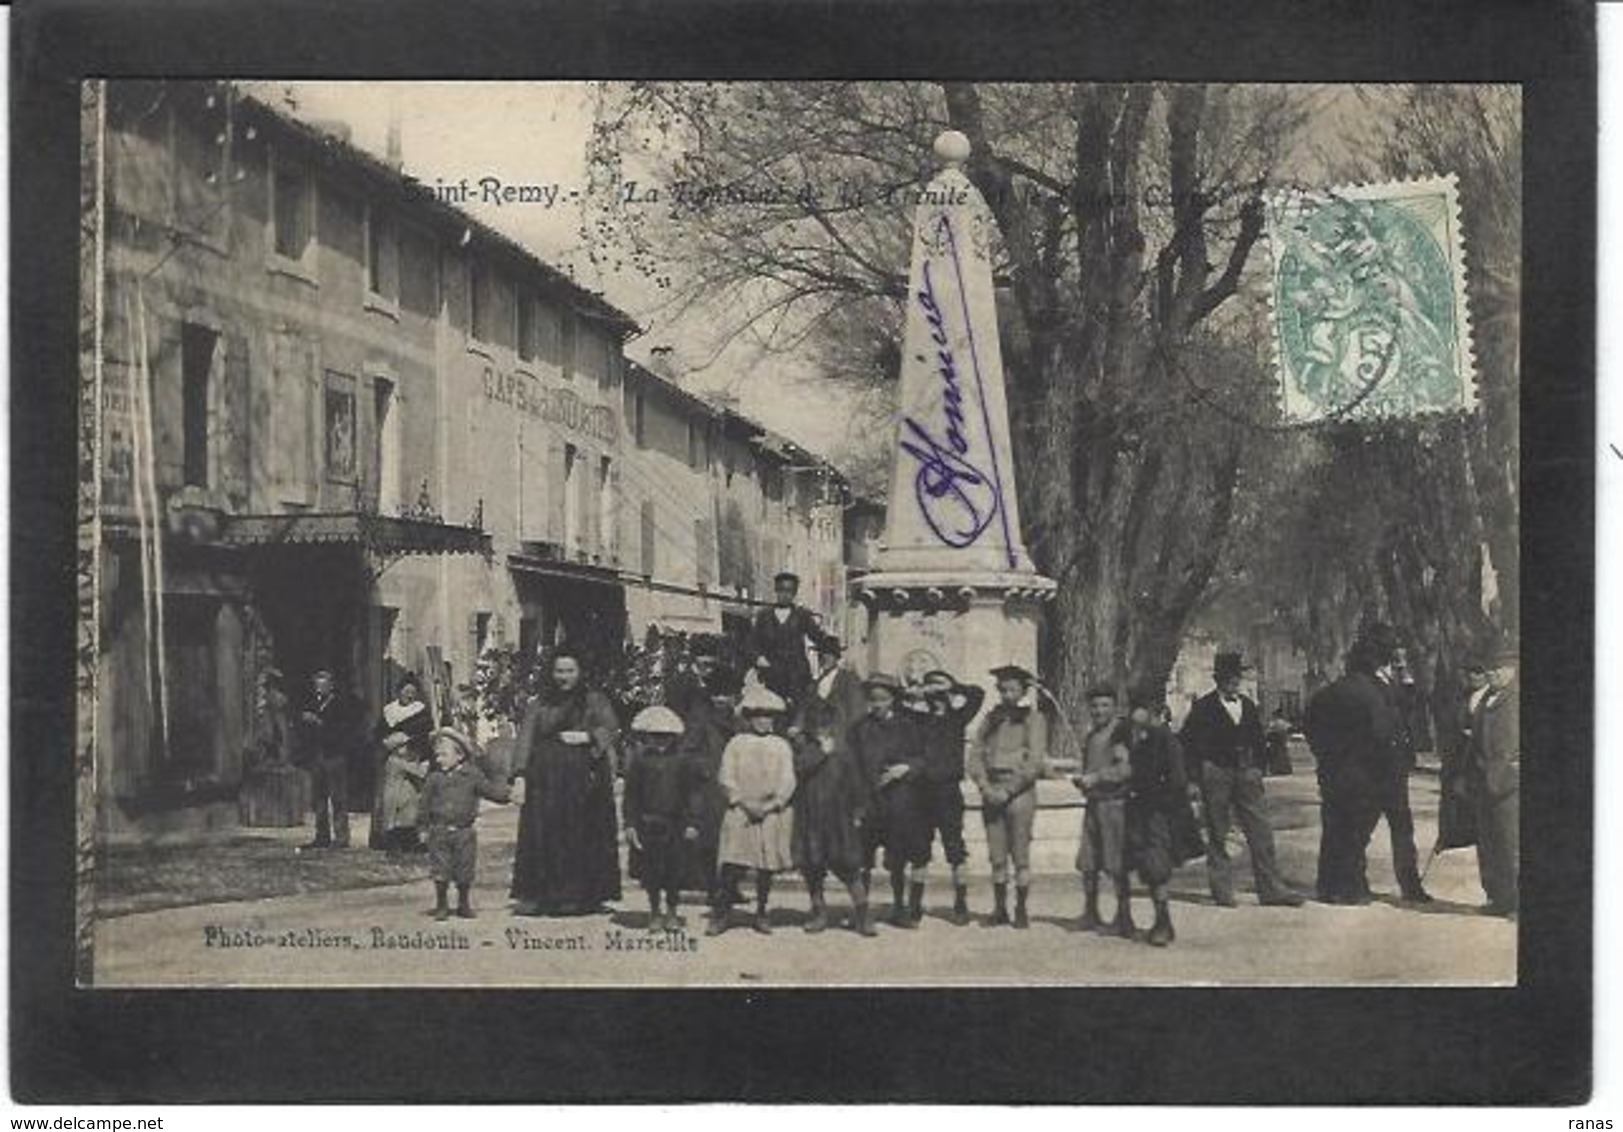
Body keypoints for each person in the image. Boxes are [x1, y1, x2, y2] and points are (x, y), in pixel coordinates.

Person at [1180, 652, 1305, 907]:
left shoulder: (1248, 705)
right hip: (1216, 773)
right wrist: (1197, 775)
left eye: (1236, 677)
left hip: (1247, 773)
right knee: (1218, 832)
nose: (1233, 682)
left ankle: (1271, 889)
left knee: (1260, 831)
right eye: (1227, 678)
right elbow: (1187, 744)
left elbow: (1258, 739)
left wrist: (1258, 767)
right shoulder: (1203, 708)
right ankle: (1222, 889)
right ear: (1218, 679)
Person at [510, 651, 622, 916]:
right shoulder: (539, 703)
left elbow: (612, 728)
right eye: (559, 671)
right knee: (545, 834)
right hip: (546, 780)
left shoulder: (595, 700)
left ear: (580, 672)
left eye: (570, 671)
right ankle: (544, 895)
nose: (564, 677)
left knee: (584, 833)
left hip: (586, 779)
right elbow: (525, 738)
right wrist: (520, 775)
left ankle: (584, 896)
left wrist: (587, 737)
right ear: (551, 672)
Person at [1303, 634, 1398, 904]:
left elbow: (1309, 725)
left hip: (1332, 772)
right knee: (1356, 833)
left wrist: (1324, 754)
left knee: (1333, 828)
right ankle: (1352, 887)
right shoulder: (1373, 695)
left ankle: (1327, 886)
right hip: (1364, 775)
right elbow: (1382, 735)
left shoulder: (1328, 693)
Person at [790, 638, 875, 936]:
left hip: (838, 807)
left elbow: (856, 719)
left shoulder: (848, 681)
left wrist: (858, 808)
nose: (825, 659)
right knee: (812, 862)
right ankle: (819, 911)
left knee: (848, 859)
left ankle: (863, 912)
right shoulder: (813, 688)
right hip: (812, 807)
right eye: (821, 654)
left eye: (828, 654)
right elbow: (800, 725)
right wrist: (803, 736)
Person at [710, 685, 797, 936]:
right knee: (732, 863)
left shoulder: (781, 746)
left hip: (770, 812)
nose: (763, 721)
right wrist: (742, 802)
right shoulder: (737, 743)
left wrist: (772, 804)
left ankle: (761, 911)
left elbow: (788, 780)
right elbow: (726, 776)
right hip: (741, 810)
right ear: (748, 718)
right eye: (758, 715)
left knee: (765, 866)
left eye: (768, 716)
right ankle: (722, 913)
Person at [848, 673, 931, 928]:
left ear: (893, 700)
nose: (877, 704)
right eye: (873, 699)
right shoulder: (860, 728)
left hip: (900, 803)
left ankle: (899, 908)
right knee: (862, 860)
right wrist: (855, 803)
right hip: (868, 803)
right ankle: (862, 913)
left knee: (898, 858)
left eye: (883, 699)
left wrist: (904, 769)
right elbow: (851, 765)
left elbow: (923, 759)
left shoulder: (908, 726)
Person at [968, 665, 1049, 928]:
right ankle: (999, 907)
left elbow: (1035, 761)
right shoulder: (990, 719)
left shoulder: (1034, 719)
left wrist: (1009, 790)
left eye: (1013, 689)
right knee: (997, 854)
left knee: (1020, 853)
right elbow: (976, 754)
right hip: (992, 790)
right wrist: (984, 786)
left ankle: (1021, 908)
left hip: (1019, 793)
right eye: (1003, 689)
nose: (1007, 694)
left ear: (1023, 691)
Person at [906, 669, 986, 926]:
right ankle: (915, 904)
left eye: (940, 691)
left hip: (948, 791)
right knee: (919, 849)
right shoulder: (919, 720)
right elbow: (898, 703)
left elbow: (978, 694)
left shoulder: (957, 718)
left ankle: (961, 902)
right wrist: (917, 691)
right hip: (922, 792)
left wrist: (954, 685)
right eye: (933, 691)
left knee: (954, 847)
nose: (937, 696)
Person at [417, 727, 512, 920]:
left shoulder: (473, 776)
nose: (438, 759)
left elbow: (491, 791)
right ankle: (442, 904)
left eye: (444, 755)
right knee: (440, 869)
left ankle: (463, 904)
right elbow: (424, 805)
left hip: (464, 832)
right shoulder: (434, 778)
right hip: (439, 831)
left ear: (459, 756)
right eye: (437, 755)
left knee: (464, 869)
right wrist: (422, 828)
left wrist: (509, 794)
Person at [622, 705, 697, 932]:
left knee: (674, 872)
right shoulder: (639, 762)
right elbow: (631, 796)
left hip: (675, 824)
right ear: (647, 737)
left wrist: (692, 822)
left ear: (674, 737)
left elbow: (691, 794)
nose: (661, 741)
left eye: (666, 737)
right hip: (648, 824)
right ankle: (655, 912)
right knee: (652, 873)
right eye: (656, 736)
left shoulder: (682, 762)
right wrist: (630, 824)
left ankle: (672, 911)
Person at [1124, 696, 1190, 947]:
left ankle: (1163, 923)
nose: (1133, 715)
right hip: (1144, 811)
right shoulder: (1143, 738)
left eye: (1137, 709)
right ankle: (1162, 920)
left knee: (1157, 867)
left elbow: (1177, 780)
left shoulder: (1165, 739)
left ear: (1152, 711)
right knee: (1150, 868)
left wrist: (1155, 798)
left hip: (1159, 813)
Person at [680, 663, 744, 911]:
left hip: (736, 786)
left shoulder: (740, 722)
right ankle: (713, 887)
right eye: (717, 694)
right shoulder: (701, 719)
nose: (722, 699)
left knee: (737, 840)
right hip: (710, 788)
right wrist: (706, 767)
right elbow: (688, 751)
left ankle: (730, 886)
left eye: (727, 694)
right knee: (711, 842)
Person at [1374, 638, 1432, 903]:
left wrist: (1406, 675)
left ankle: (1410, 885)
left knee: (1402, 828)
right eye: (1398, 657)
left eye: (1404, 657)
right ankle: (1349, 880)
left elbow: (1410, 706)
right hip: (1375, 768)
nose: (1402, 662)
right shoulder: (1376, 683)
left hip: (1396, 769)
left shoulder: (1397, 682)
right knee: (1363, 827)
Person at [1072, 686, 1134, 936]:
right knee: (1088, 861)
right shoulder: (1091, 735)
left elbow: (1126, 770)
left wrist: (1097, 778)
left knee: (1116, 862)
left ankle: (1124, 916)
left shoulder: (1119, 734)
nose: (1099, 710)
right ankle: (1090, 911)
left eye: (1105, 705)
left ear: (1115, 707)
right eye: (1095, 706)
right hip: (1094, 804)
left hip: (1115, 805)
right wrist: (1082, 781)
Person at [1469, 645, 1519, 917]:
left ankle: (1519, 903)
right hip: (1483, 781)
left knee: (1512, 844)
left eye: (1496, 668)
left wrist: (1513, 770)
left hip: (1510, 784)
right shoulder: (1485, 697)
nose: (1490, 673)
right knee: (1489, 844)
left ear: (1511, 669)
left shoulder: (1518, 698)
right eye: (1488, 668)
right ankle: (1497, 898)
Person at [750, 571, 839, 712]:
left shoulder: (802, 615)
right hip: (772, 673)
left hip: (797, 673)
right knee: (774, 709)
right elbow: (753, 643)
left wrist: (832, 652)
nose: (785, 595)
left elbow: (818, 637)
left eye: (789, 591)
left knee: (800, 710)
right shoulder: (764, 616)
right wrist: (759, 658)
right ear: (776, 591)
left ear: (794, 593)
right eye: (781, 590)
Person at [295, 668, 363, 850]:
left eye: (323, 685)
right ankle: (321, 835)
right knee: (319, 798)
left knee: (338, 798)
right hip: (316, 755)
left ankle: (341, 837)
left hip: (335, 755)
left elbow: (344, 730)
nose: (319, 689)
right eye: (317, 685)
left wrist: (319, 723)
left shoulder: (341, 704)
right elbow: (302, 730)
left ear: (331, 686)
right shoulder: (312, 702)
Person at [371, 674, 435, 855]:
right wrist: (388, 742)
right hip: (393, 761)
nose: (409, 695)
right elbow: (379, 735)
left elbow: (425, 735)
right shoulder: (389, 711)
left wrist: (406, 738)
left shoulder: (421, 711)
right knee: (391, 800)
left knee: (410, 802)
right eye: (406, 691)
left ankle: (411, 840)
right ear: (399, 692)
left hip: (413, 759)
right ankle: (390, 839)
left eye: (412, 692)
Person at [1264, 708, 1294, 777]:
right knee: (1283, 754)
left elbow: (1269, 731)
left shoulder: (1274, 723)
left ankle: (1277, 769)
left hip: (1276, 741)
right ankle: (1285, 769)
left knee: (1276, 755)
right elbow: (1289, 729)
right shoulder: (1284, 722)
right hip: (1282, 741)